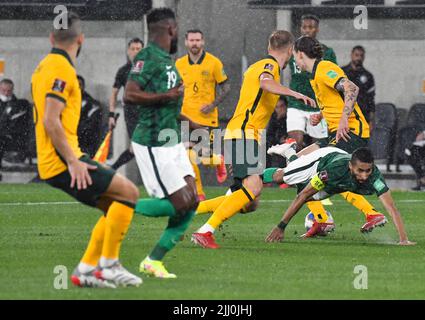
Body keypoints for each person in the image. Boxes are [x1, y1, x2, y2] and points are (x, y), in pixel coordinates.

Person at [31, 12, 141, 288]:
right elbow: (50, 119)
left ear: (50, 38)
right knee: (130, 193)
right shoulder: (62, 69)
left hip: (57, 159)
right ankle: (109, 264)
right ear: (81, 39)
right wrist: (73, 161)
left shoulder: (44, 65)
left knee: (116, 205)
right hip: (62, 160)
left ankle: (85, 271)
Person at [191, 30, 316, 249]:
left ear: (269, 47)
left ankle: (189, 210)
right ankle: (205, 231)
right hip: (244, 133)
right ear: (289, 51)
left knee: (250, 202)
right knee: (254, 187)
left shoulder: (258, 65)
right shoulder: (270, 67)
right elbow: (265, 83)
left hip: (245, 135)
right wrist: (294, 94)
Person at [268, 36, 386, 235]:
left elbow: (351, 88)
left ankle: (369, 213)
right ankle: (323, 219)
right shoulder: (315, 74)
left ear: (301, 54)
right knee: (298, 164)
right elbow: (336, 97)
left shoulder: (324, 69)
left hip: (350, 133)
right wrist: (321, 114)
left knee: (329, 175)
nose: (295, 61)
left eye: (295, 56)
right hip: (335, 133)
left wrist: (343, 119)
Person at [124, 7, 199, 278]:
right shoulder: (147, 57)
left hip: (173, 141)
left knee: (193, 201)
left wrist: (191, 122)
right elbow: (130, 95)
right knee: (179, 204)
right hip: (153, 142)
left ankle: (153, 261)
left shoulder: (167, 60)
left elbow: (169, 102)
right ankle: (117, 203)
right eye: (177, 28)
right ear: (171, 29)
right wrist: (165, 96)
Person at [263, 147, 415, 246]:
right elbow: (302, 196)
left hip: (336, 182)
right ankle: (255, 177)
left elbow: (391, 208)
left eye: (368, 170)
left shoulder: (375, 178)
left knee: (310, 197)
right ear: (351, 166)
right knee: (282, 177)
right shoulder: (333, 171)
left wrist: (403, 239)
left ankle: (291, 155)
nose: (364, 175)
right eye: (360, 170)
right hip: (321, 161)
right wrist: (280, 227)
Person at [176, 29, 231, 201]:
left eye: (198, 40)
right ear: (186, 42)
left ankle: (218, 160)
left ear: (203, 42)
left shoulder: (213, 63)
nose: (195, 43)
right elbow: (174, 87)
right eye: (192, 40)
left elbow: (226, 87)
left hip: (208, 118)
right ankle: (199, 193)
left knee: (205, 157)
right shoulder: (179, 64)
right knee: (188, 156)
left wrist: (213, 104)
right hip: (186, 117)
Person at [286, 14, 335, 151]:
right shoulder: (292, 51)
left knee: (319, 147)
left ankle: (315, 171)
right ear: (300, 29)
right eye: (304, 27)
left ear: (317, 29)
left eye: (311, 27)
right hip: (296, 103)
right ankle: (294, 171)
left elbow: (333, 78)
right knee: (294, 144)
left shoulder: (327, 52)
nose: (307, 30)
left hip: (317, 105)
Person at [108, 38, 144, 170]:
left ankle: (112, 169)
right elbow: (114, 93)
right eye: (133, 49)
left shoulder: (150, 68)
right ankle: (112, 169)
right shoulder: (123, 71)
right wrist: (111, 114)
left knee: (138, 148)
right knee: (136, 148)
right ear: (128, 51)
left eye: (138, 49)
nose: (135, 52)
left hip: (148, 112)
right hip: (132, 113)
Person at [0, 78, 33, 167]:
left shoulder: (20, 105)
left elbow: (20, 125)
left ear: (12, 90)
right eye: (3, 91)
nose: (6, 93)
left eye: (9, 91)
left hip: (12, 137)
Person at [342, 46, 376, 130]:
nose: (359, 58)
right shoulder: (342, 72)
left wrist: (371, 120)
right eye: (356, 55)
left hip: (361, 114)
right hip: (343, 114)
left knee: (359, 141)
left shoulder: (368, 76)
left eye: (361, 56)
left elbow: (371, 99)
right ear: (351, 55)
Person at [77, 75, 103, 158]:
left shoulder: (91, 104)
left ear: (83, 87)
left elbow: (91, 128)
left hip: (84, 145)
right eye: (75, 85)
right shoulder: (65, 101)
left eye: (79, 85)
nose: (77, 87)